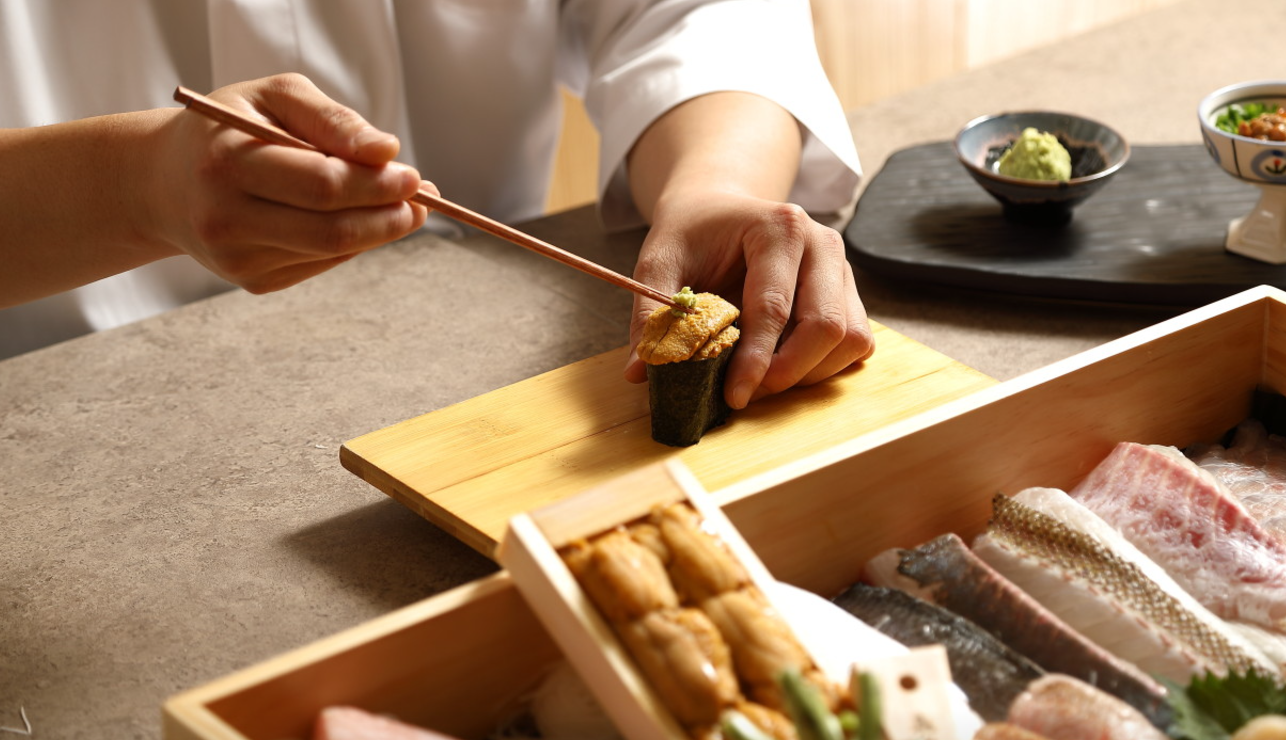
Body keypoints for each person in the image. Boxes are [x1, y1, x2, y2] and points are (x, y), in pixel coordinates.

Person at [0, 0, 873, 409]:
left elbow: (688, 13)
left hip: (475, 356)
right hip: (52, 398)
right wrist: (133, 185)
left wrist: (714, 183)